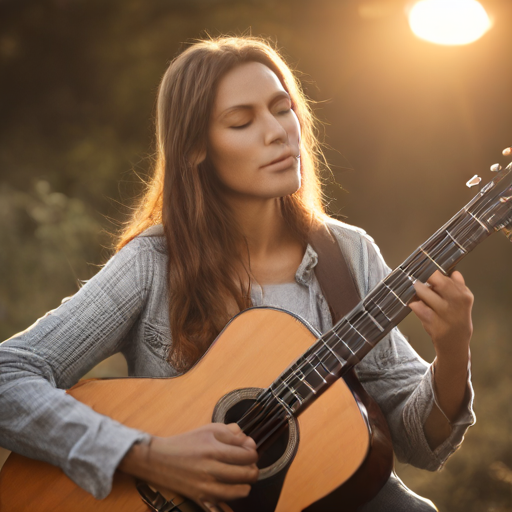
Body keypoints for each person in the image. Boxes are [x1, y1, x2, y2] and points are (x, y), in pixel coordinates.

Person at [0, 36, 477, 511]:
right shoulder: (153, 263)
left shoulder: (347, 255)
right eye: (242, 121)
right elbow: (9, 374)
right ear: (194, 150)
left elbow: (416, 443)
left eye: (282, 108)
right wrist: (145, 455)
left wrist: (452, 352)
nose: (277, 132)